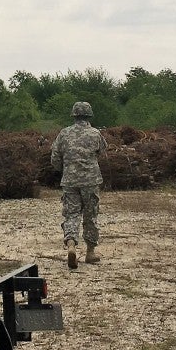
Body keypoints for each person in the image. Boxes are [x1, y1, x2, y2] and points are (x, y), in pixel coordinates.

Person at [50, 100, 108, 269]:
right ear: (89, 115)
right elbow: (102, 153)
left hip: (70, 181)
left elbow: (54, 157)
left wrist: (65, 169)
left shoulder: (64, 134)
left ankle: (71, 245)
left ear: (74, 115)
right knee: (91, 215)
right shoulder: (95, 134)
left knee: (71, 214)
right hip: (91, 181)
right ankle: (90, 252)